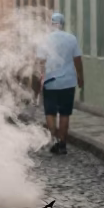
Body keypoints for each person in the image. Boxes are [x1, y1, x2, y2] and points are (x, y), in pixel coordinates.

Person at [35, 12, 84, 155]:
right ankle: (62, 144)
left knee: (50, 112)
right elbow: (78, 60)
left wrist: (38, 81)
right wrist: (80, 77)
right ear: (63, 24)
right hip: (68, 82)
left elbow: (40, 62)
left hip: (50, 82)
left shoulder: (44, 40)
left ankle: (55, 140)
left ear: (51, 24)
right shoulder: (71, 39)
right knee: (64, 114)